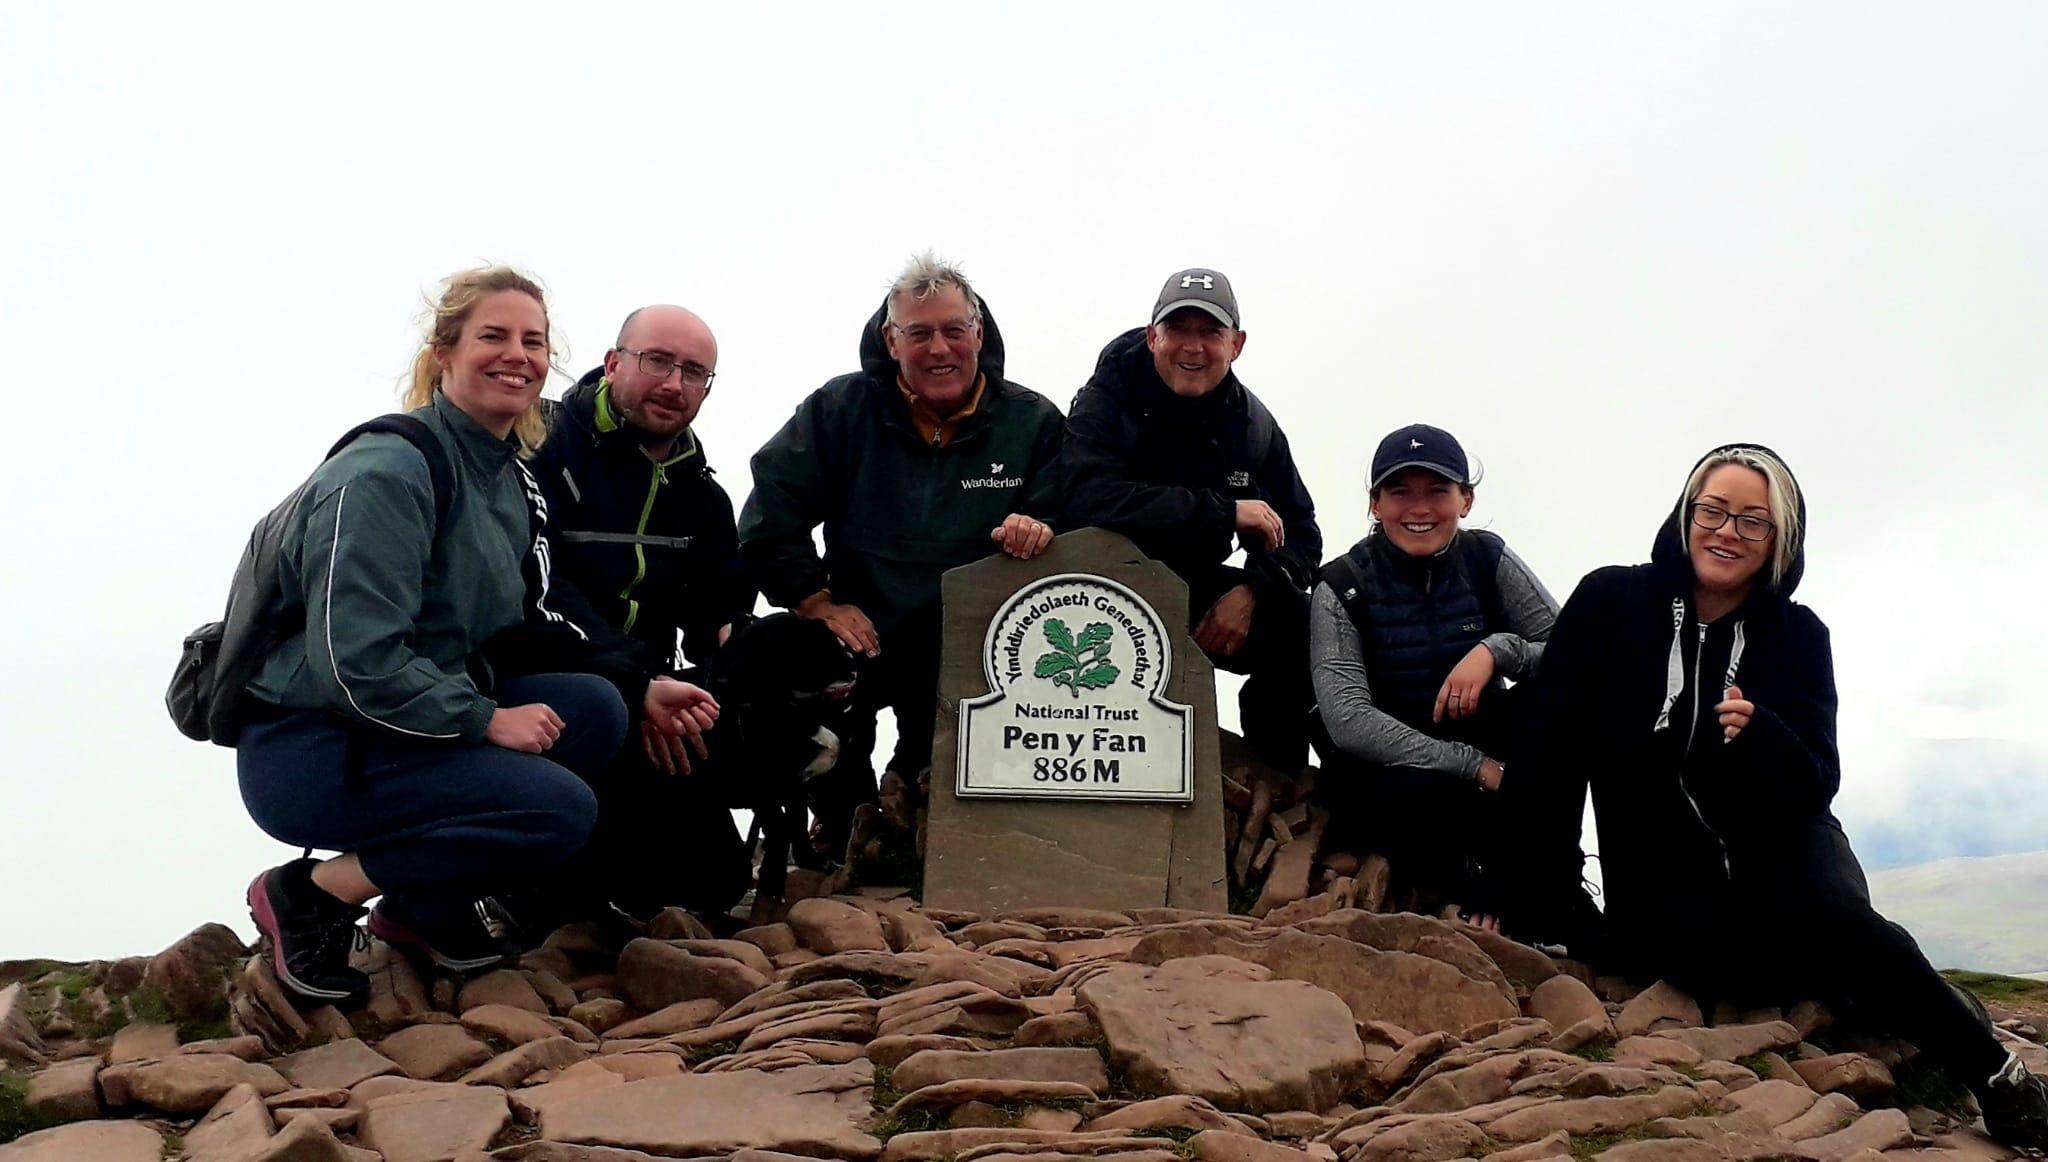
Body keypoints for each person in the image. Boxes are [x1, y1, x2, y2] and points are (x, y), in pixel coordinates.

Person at [1513, 444, 2048, 1151]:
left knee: (1834, 921)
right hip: (1664, 866)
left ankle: (1998, 1074)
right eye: (1713, 510)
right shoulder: (1611, 603)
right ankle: (1904, 996)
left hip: (1787, 843)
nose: (1727, 531)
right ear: (1686, 514)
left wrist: (1766, 736)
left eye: (1753, 521)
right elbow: (1550, 751)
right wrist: (1553, 898)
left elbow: (1817, 778)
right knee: (1712, 966)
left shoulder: (1798, 635)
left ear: (1778, 541)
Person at [237, 267, 718, 1005]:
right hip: (315, 741)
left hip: (413, 726)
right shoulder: (386, 472)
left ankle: (422, 909)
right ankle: (310, 893)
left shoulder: (510, 478)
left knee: (596, 709)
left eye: (533, 341)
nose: (517, 356)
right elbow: (353, 663)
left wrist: (640, 683)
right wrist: (485, 719)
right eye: (493, 336)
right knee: (557, 809)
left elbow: (535, 615)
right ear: (444, 351)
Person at [739, 254, 1063, 865]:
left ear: (979, 334)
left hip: (977, 642)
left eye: (953, 330)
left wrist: (1040, 526)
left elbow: (1073, 514)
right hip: (863, 625)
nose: (938, 348)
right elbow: (768, 516)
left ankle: (920, 812)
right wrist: (816, 600)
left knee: (931, 785)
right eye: (919, 333)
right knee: (778, 658)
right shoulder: (837, 411)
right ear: (892, 340)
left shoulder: (1035, 423)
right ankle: (838, 821)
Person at [526, 304, 757, 918]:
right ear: (612, 363)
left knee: (715, 886)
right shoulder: (539, 451)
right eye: (657, 361)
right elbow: (541, 591)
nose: (674, 384)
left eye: (695, 372)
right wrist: (635, 683)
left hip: (650, 695)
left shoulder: (702, 494)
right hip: (546, 688)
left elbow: (722, 606)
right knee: (577, 896)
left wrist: (720, 667)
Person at [1061, 268, 1320, 774]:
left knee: (1308, 626)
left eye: (1211, 333)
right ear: (1152, 335)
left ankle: (1277, 780)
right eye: (1179, 330)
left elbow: (1304, 533)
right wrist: (1222, 512)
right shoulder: (1106, 398)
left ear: (1237, 344)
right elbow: (1083, 496)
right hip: (1099, 587)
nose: (1194, 348)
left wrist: (1253, 591)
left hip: (1194, 593)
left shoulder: (1254, 427)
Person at [1310, 424, 1557, 919]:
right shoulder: (1342, 584)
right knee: (1408, 793)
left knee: (1554, 720)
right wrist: (1469, 765)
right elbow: (1348, 719)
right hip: (1392, 766)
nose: (1419, 509)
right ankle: (1463, 890)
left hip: (1484, 744)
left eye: (1437, 492)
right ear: (1376, 505)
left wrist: (1497, 650)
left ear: (1465, 500)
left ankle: (1550, 890)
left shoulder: (1488, 558)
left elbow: (1569, 653)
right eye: (1400, 492)